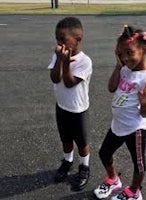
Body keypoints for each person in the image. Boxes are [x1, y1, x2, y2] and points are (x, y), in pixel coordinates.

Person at [94, 25, 146, 200]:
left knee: (139, 163)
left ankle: (135, 190)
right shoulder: (124, 69)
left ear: (144, 50)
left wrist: (145, 104)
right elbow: (111, 87)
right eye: (121, 53)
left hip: (134, 128)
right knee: (104, 153)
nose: (125, 58)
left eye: (129, 52)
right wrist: (118, 65)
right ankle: (114, 179)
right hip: (118, 124)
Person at [48, 17, 92, 191]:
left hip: (78, 110)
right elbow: (55, 78)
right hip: (62, 106)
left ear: (78, 39)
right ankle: (67, 161)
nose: (59, 43)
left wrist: (66, 62)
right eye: (57, 38)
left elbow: (68, 82)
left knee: (82, 143)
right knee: (65, 139)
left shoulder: (85, 61)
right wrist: (59, 60)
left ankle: (84, 166)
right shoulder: (57, 55)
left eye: (63, 39)